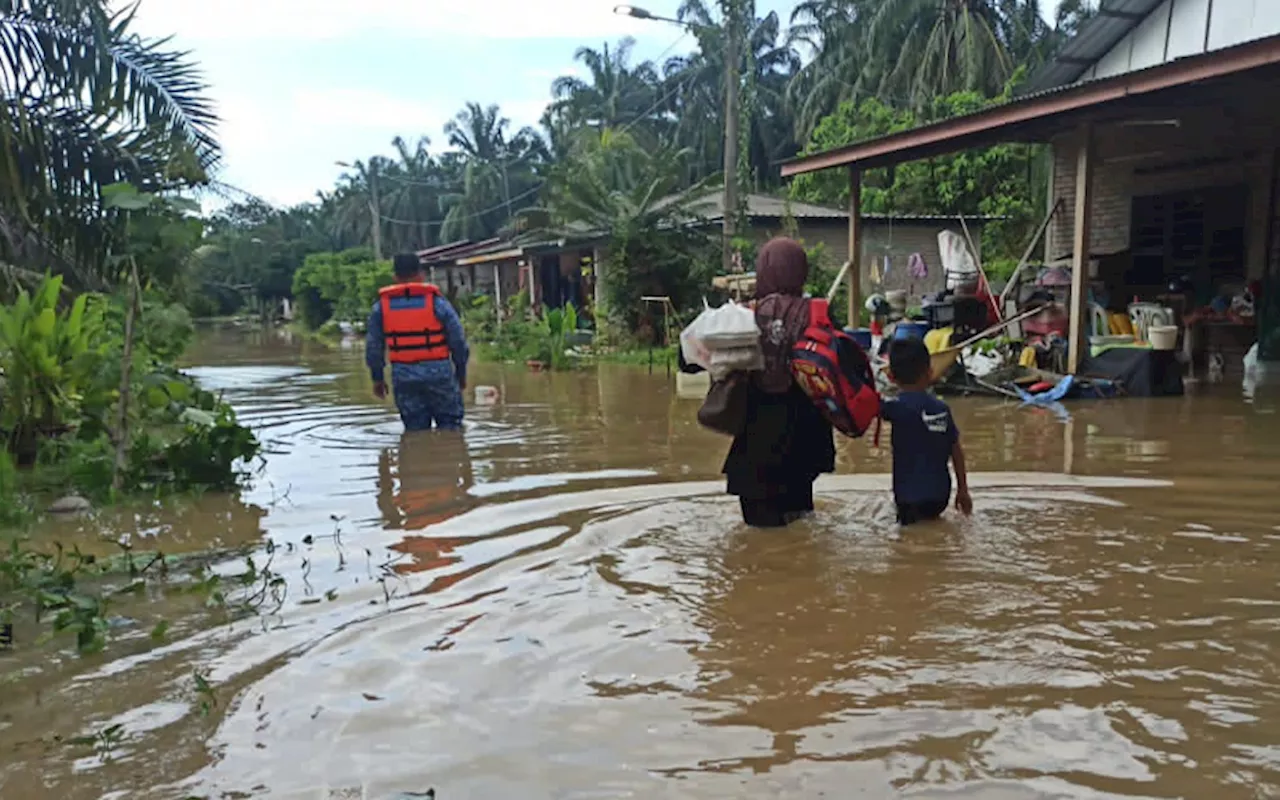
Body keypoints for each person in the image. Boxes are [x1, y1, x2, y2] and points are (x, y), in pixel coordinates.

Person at [681, 237, 835, 528]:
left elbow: (687, 361)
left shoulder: (744, 315)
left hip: (756, 451)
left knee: (758, 545)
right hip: (806, 447)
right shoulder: (819, 315)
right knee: (800, 540)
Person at [366, 253, 470, 431]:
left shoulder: (381, 308)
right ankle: (452, 457)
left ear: (395, 277)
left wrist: (377, 378)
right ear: (421, 275)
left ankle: (416, 457)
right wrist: (460, 373)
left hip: (403, 376)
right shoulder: (438, 304)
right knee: (451, 427)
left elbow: (374, 348)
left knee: (415, 430)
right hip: (439, 374)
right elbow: (458, 341)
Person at [882, 337, 972, 526]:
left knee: (909, 540)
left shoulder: (893, 409)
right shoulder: (941, 409)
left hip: (908, 499)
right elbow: (956, 451)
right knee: (934, 528)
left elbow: (863, 411)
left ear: (891, 376)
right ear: (930, 372)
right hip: (939, 497)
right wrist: (963, 490)